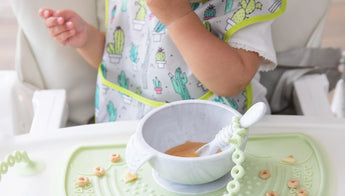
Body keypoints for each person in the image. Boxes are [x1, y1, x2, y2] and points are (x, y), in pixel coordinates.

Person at [39, 0, 286, 122]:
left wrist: (179, 20)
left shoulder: (244, 7)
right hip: (128, 136)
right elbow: (121, 63)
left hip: (221, 143)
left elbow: (232, 81)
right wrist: (87, 40)